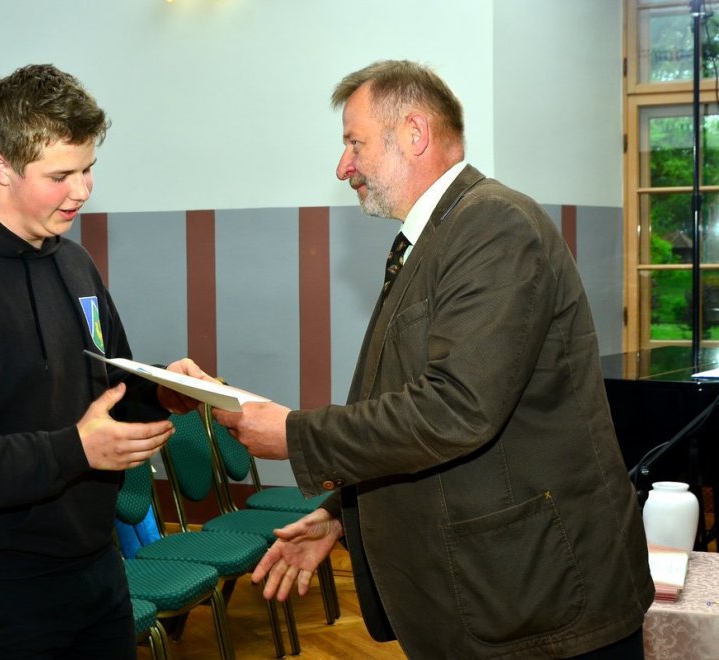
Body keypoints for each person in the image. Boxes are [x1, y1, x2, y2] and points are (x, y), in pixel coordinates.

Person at [215, 60, 654, 659]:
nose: (343, 167)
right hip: (501, 590)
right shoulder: (442, 232)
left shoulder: (493, 225)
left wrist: (294, 434)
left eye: (354, 143)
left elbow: (457, 407)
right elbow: (421, 408)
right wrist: (343, 516)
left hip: (538, 596)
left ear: (415, 133)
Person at [0, 63, 208, 659]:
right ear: (1, 166)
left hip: (93, 564)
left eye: (88, 169)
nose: (82, 191)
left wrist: (162, 390)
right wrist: (75, 450)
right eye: (60, 175)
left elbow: (112, 384)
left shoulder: (74, 263)